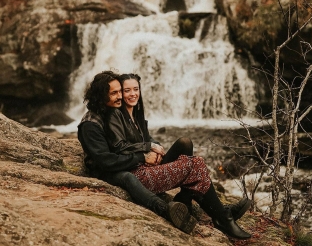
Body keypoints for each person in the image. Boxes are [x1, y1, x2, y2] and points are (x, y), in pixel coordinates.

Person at [104, 73, 252, 240]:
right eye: (127, 90)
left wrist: (155, 146)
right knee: (196, 163)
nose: (132, 94)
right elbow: (119, 147)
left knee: (185, 145)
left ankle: (189, 201)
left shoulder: (135, 112)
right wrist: (147, 148)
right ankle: (223, 217)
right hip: (138, 175)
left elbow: (142, 138)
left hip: (147, 167)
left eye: (136, 89)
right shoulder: (115, 115)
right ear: (119, 93)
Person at [77, 70, 197, 234]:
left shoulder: (112, 112)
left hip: (125, 162)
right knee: (128, 177)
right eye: (114, 93)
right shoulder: (90, 124)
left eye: (120, 91)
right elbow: (106, 161)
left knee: (185, 145)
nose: (120, 96)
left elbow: (138, 138)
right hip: (103, 170)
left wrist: (151, 146)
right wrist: (141, 156)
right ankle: (165, 209)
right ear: (100, 95)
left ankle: (191, 202)